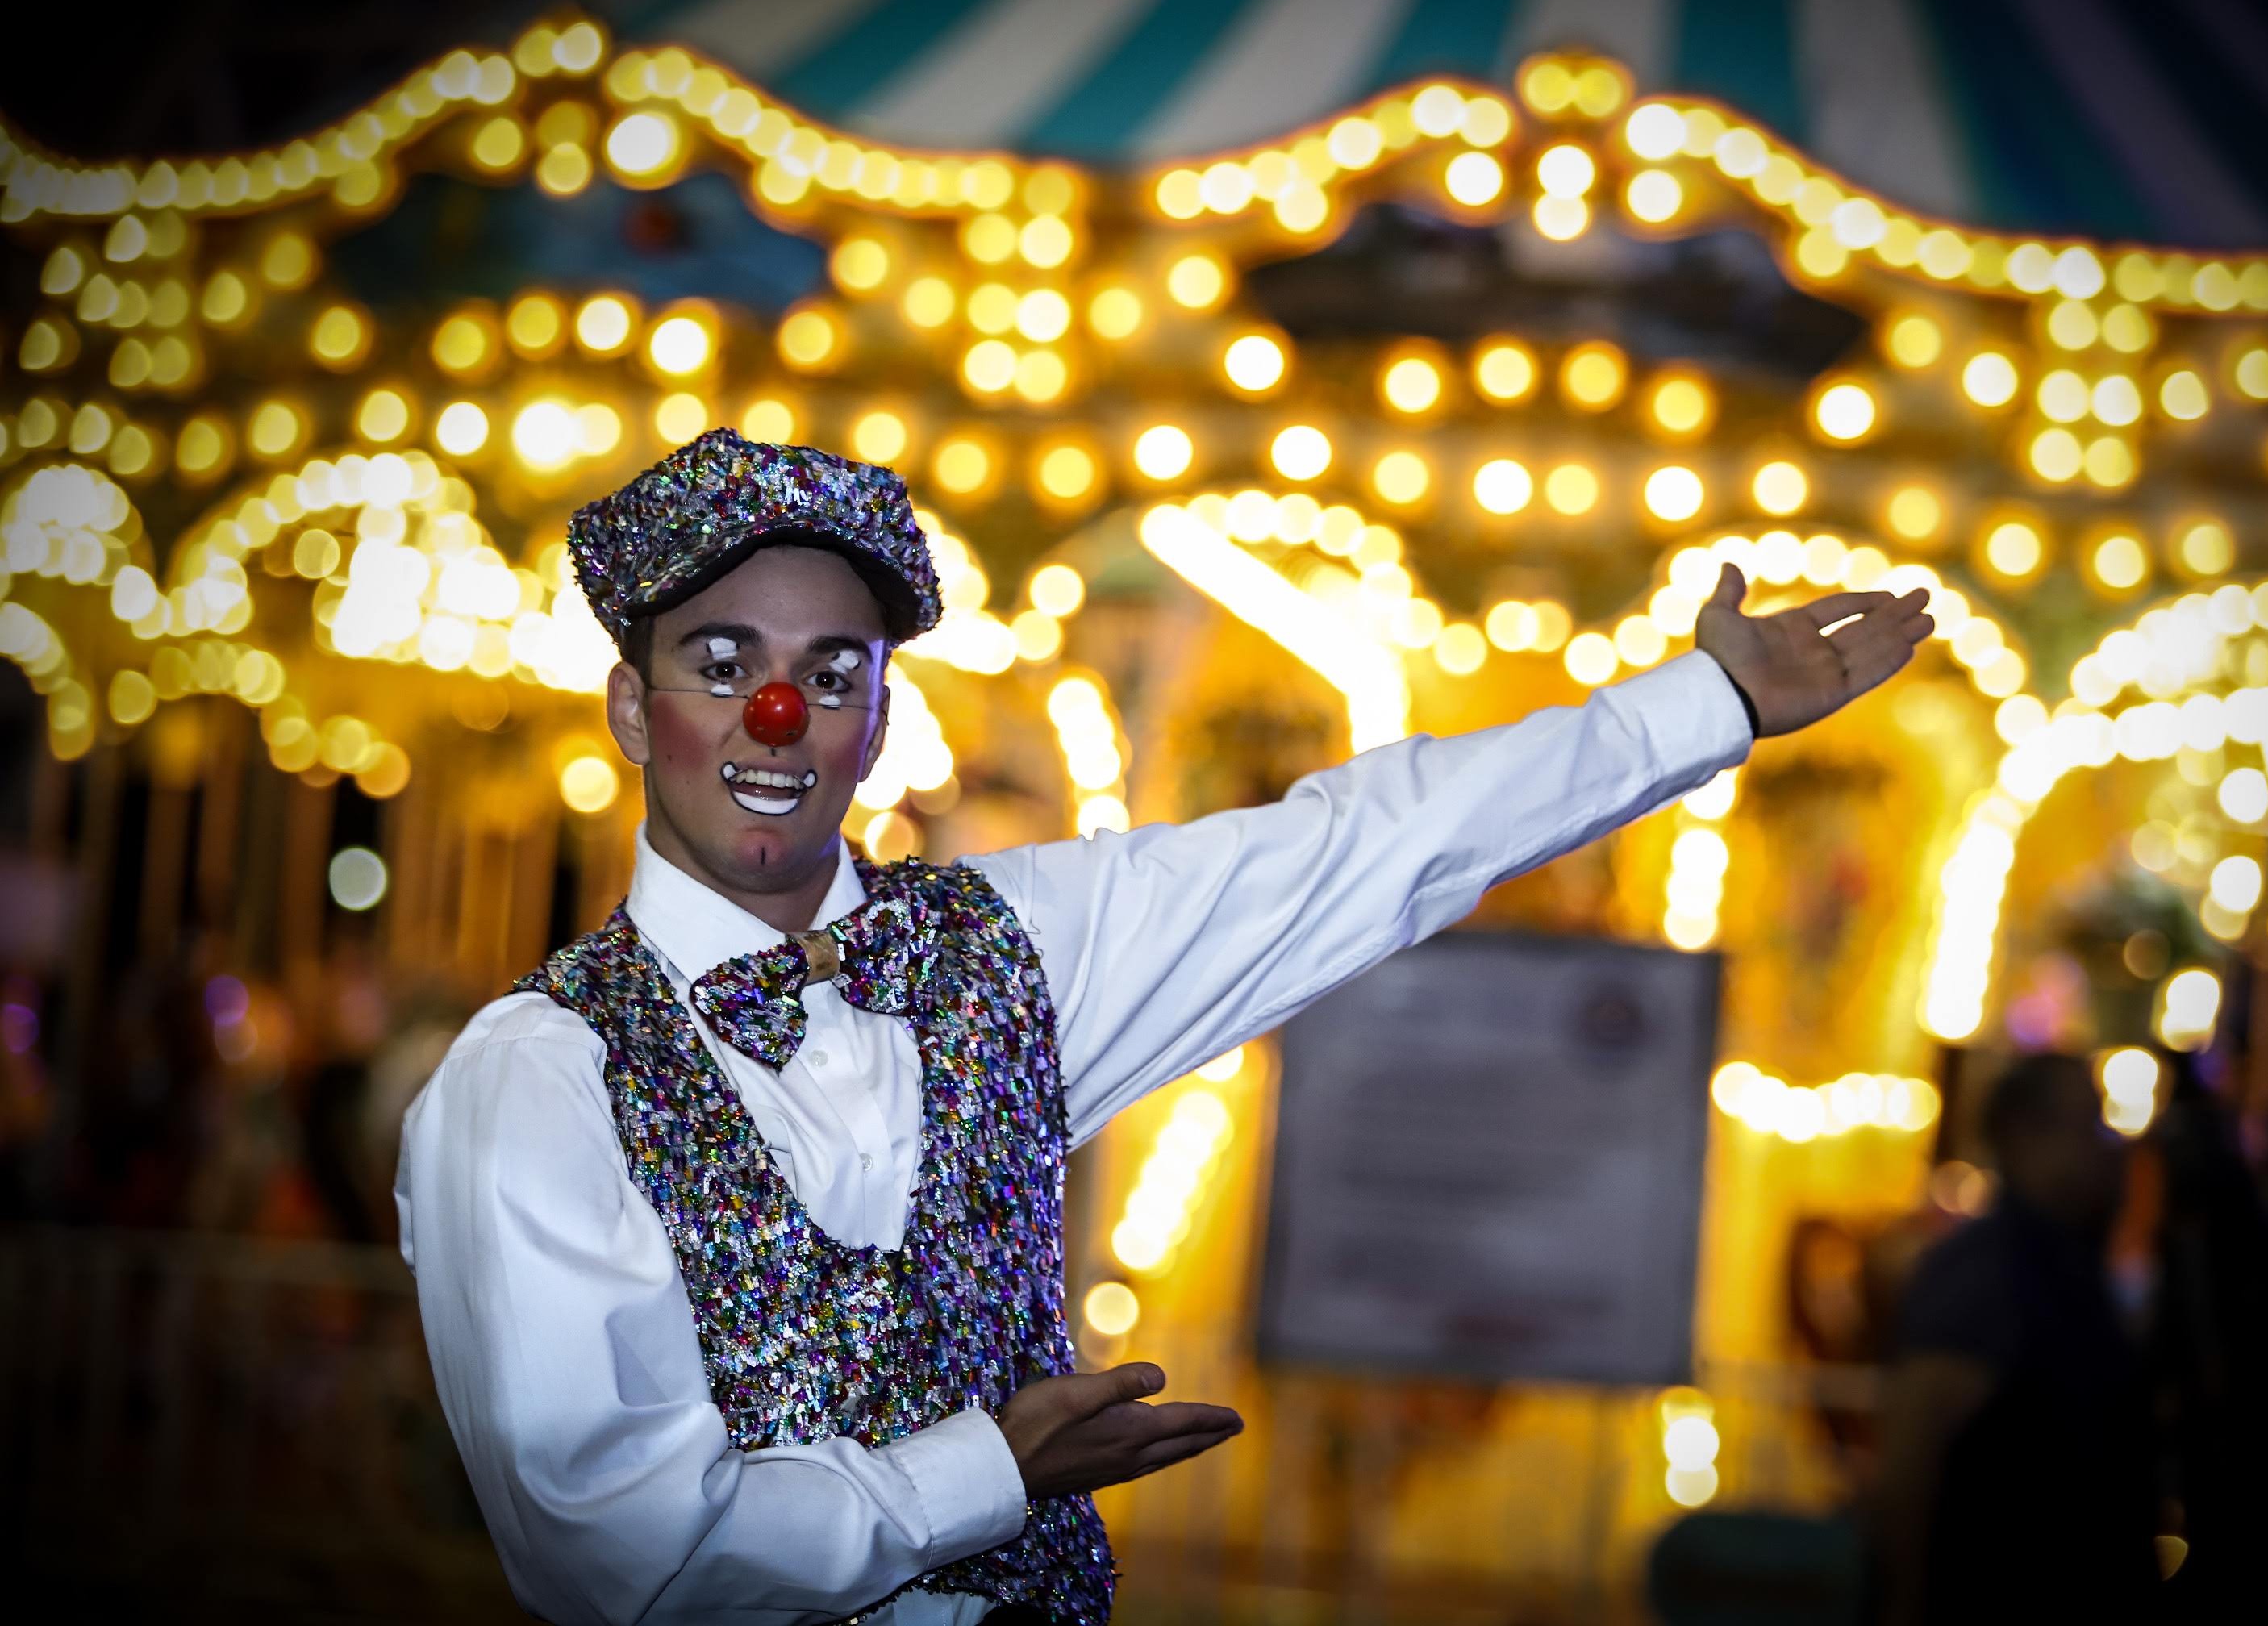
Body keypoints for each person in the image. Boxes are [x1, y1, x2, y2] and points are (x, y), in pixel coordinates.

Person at [396, 429, 1932, 1625]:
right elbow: (617, 1562)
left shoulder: (1002, 954)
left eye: (829, 673)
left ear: (874, 720)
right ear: (628, 710)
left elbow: (1354, 848)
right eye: (719, 666)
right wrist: (992, 1470)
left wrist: (1696, 707)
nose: (776, 718)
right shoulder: (533, 1086)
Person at [1867, 1053, 2157, 1625]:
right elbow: (1911, 1458)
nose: (2108, 1148)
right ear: (2025, 1135)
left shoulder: (2067, 1262)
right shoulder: (1986, 1274)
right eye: (2089, 1123)